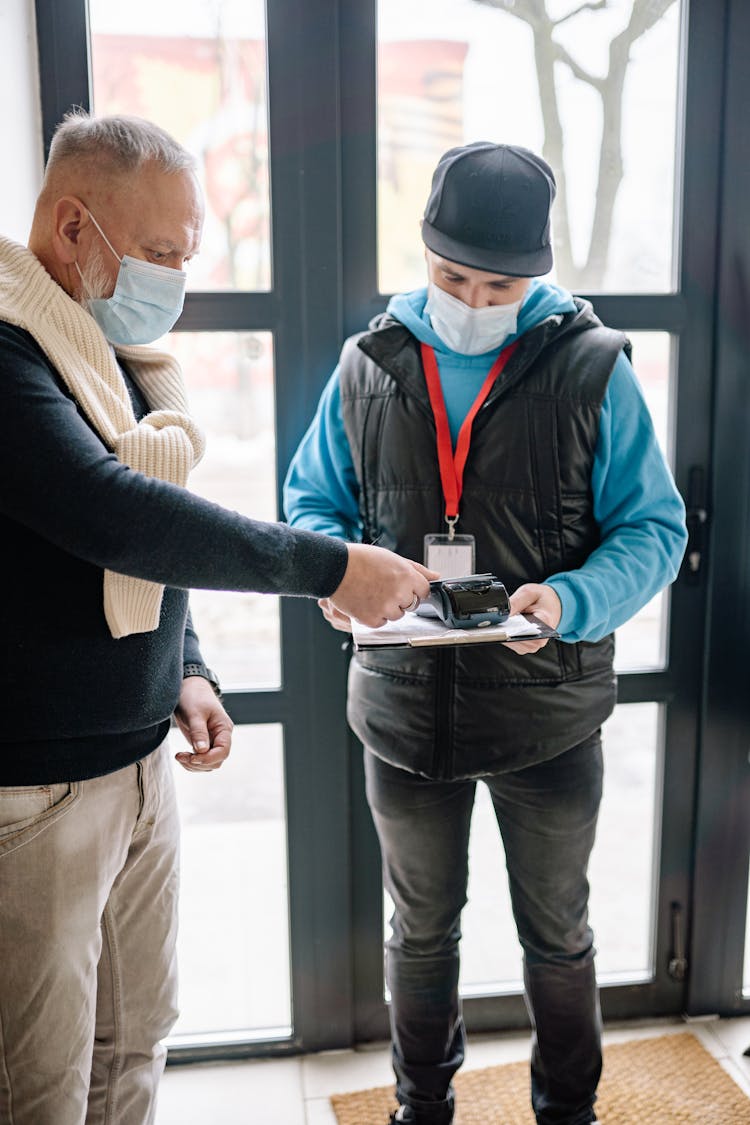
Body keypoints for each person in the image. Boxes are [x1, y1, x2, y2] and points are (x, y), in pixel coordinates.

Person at [0, 111, 435, 1125]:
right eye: (157, 253)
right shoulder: (10, 359)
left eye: (186, 253)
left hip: (138, 757)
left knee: (135, 1040)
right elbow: (116, 514)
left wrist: (187, 662)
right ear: (73, 228)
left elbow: (146, 512)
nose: (176, 278)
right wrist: (329, 564)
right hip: (39, 791)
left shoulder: (110, 351)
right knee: (41, 1081)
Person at [284, 141, 688, 1125]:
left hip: (547, 715)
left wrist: (570, 599)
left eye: (499, 282)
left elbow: (655, 528)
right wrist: (335, 579)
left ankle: (568, 1112)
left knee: (558, 935)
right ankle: (420, 1110)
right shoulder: (368, 361)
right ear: (423, 256)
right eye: (450, 275)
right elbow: (311, 506)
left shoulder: (594, 366)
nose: (471, 297)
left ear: (539, 273)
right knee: (420, 936)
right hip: (404, 716)